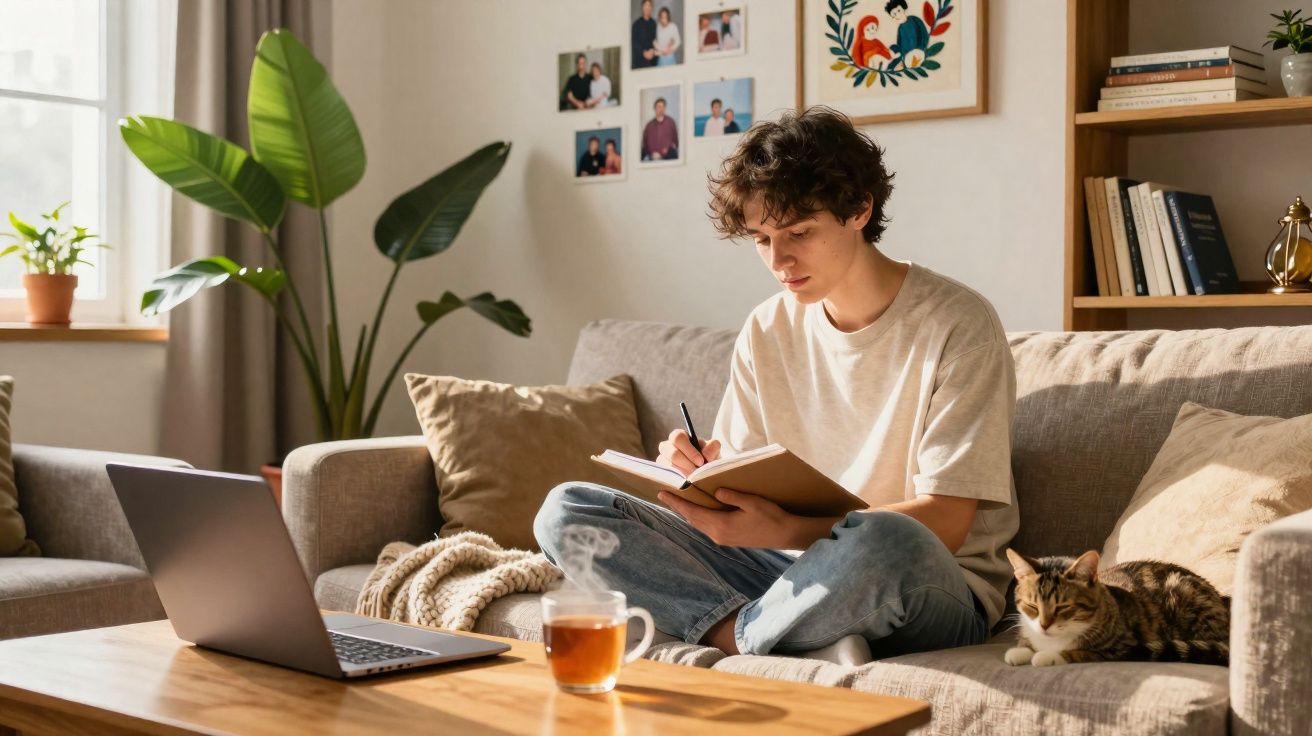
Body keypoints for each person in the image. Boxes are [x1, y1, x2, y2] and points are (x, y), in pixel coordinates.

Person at [536, 106, 1018, 666]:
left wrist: (791, 527)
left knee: (887, 537)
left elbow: (947, 525)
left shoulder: (958, 324)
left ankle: (740, 642)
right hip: (784, 573)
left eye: (799, 233)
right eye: (762, 238)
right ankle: (776, 635)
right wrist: (698, 474)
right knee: (566, 510)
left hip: (923, 581)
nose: (779, 260)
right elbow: (746, 497)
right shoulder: (768, 326)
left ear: (859, 209)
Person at [886, 0, 929, 70]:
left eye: (898, 11)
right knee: (890, 65)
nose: (897, 15)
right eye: (894, 15)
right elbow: (900, 45)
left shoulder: (914, 20)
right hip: (906, 58)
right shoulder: (900, 29)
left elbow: (924, 36)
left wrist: (921, 49)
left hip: (919, 53)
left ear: (904, 8)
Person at [640, 97, 678, 161]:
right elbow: (645, 143)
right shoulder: (649, 125)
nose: (661, 109)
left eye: (663, 107)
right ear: (655, 108)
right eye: (659, 107)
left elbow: (675, 141)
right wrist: (652, 153)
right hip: (652, 157)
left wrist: (667, 150)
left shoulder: (671, 122)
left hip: (668, 156)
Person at [631, 0, 658, 68]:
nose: (647, 8)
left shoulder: (654, 23)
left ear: (652, 8)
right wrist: (644, 53)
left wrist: (653, 51)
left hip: (652, 58)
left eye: (649, 6)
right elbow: (634, 43)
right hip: (640, 60)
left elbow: (655, 40)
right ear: (642, 7)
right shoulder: (636, 24)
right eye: (646, 5)